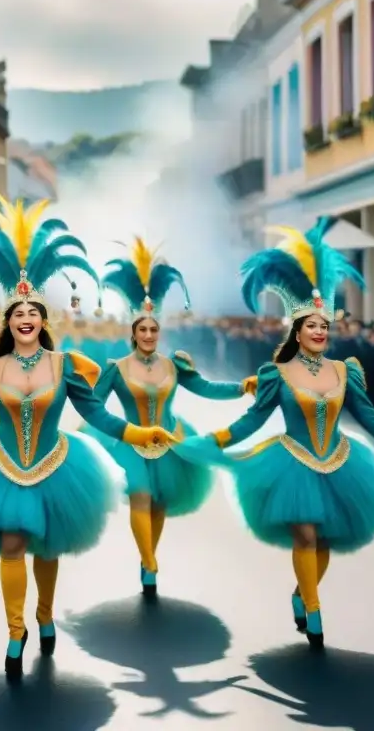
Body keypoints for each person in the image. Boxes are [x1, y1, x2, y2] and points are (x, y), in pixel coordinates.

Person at [0, 193, 177, 679]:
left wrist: (138, 430)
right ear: (10, 322)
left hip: (56, 468)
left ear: (44, 320)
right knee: (10, 545)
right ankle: (15, 629)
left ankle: (45, 612)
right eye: (18, 314)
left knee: (46, 548)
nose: (26, 320)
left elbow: (99, 415)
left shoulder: (65, 367)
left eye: (33, 313)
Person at [176, 219, 374, 650]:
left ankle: (301, 592)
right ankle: (313, 608)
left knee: (325, 538)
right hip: (291, 462)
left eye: (324, 326)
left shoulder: (344, 371)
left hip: (338, 463)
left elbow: (369, 418)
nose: (319, 332)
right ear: (297, 330)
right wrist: (219, 439)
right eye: (311, 326)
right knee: (306, 535)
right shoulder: (277, 374)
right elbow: (252, 421)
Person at [83, 236, 257, 597]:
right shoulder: (116, 368)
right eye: (142, 329)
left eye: (153, 329)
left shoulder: (174, 365)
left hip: (170, 442)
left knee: (159, 502)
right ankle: (149, 562)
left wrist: (241, 387)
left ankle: (149, 556)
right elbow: (92, 404)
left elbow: (206, 387)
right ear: (133, 333)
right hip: (131, 441)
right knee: (141, 496)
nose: (148, 335)